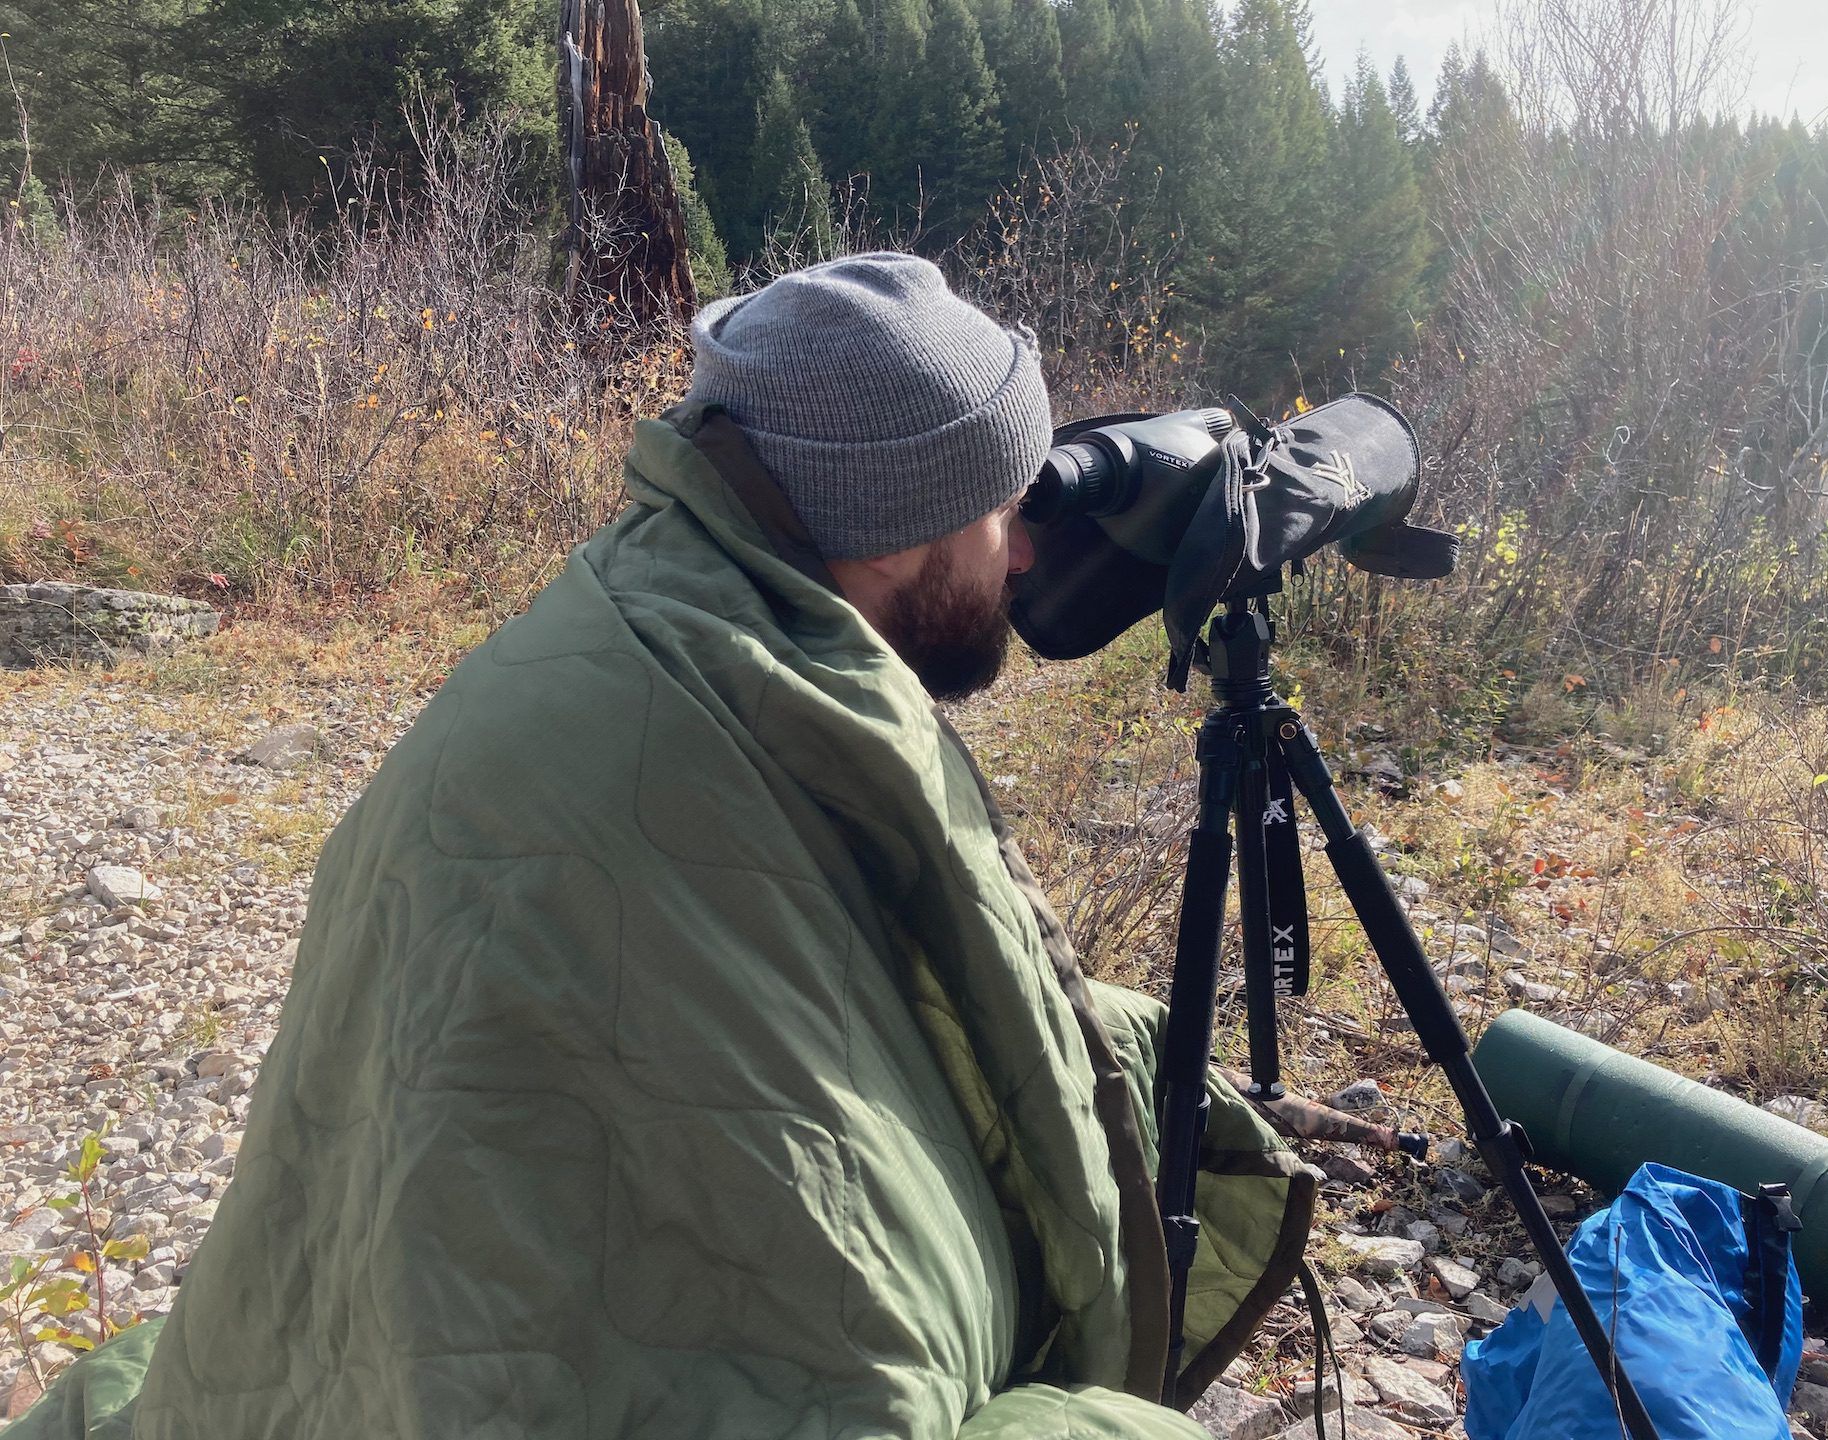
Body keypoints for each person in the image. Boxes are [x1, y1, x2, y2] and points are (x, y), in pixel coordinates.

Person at [15, 253, 1313, 1439]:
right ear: (894, 520)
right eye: (999, 510)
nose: (1027, 550)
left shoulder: (650, 603)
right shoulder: (706, 702)